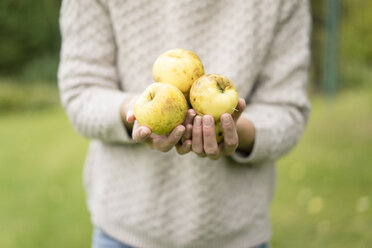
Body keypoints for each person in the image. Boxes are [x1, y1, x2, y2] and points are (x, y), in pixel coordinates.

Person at [58, 0, 311, 247]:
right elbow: (81, 92)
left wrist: (232, 132)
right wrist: (137, 114)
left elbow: (287, 109)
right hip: (123, 230)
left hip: (237, 234)